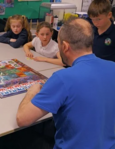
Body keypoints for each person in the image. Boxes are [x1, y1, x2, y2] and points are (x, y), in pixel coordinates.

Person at [16, 17, 115, 149]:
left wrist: (31, 92)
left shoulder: (62, 78)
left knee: (20, 139)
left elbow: (22, 119)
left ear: (65, 46)